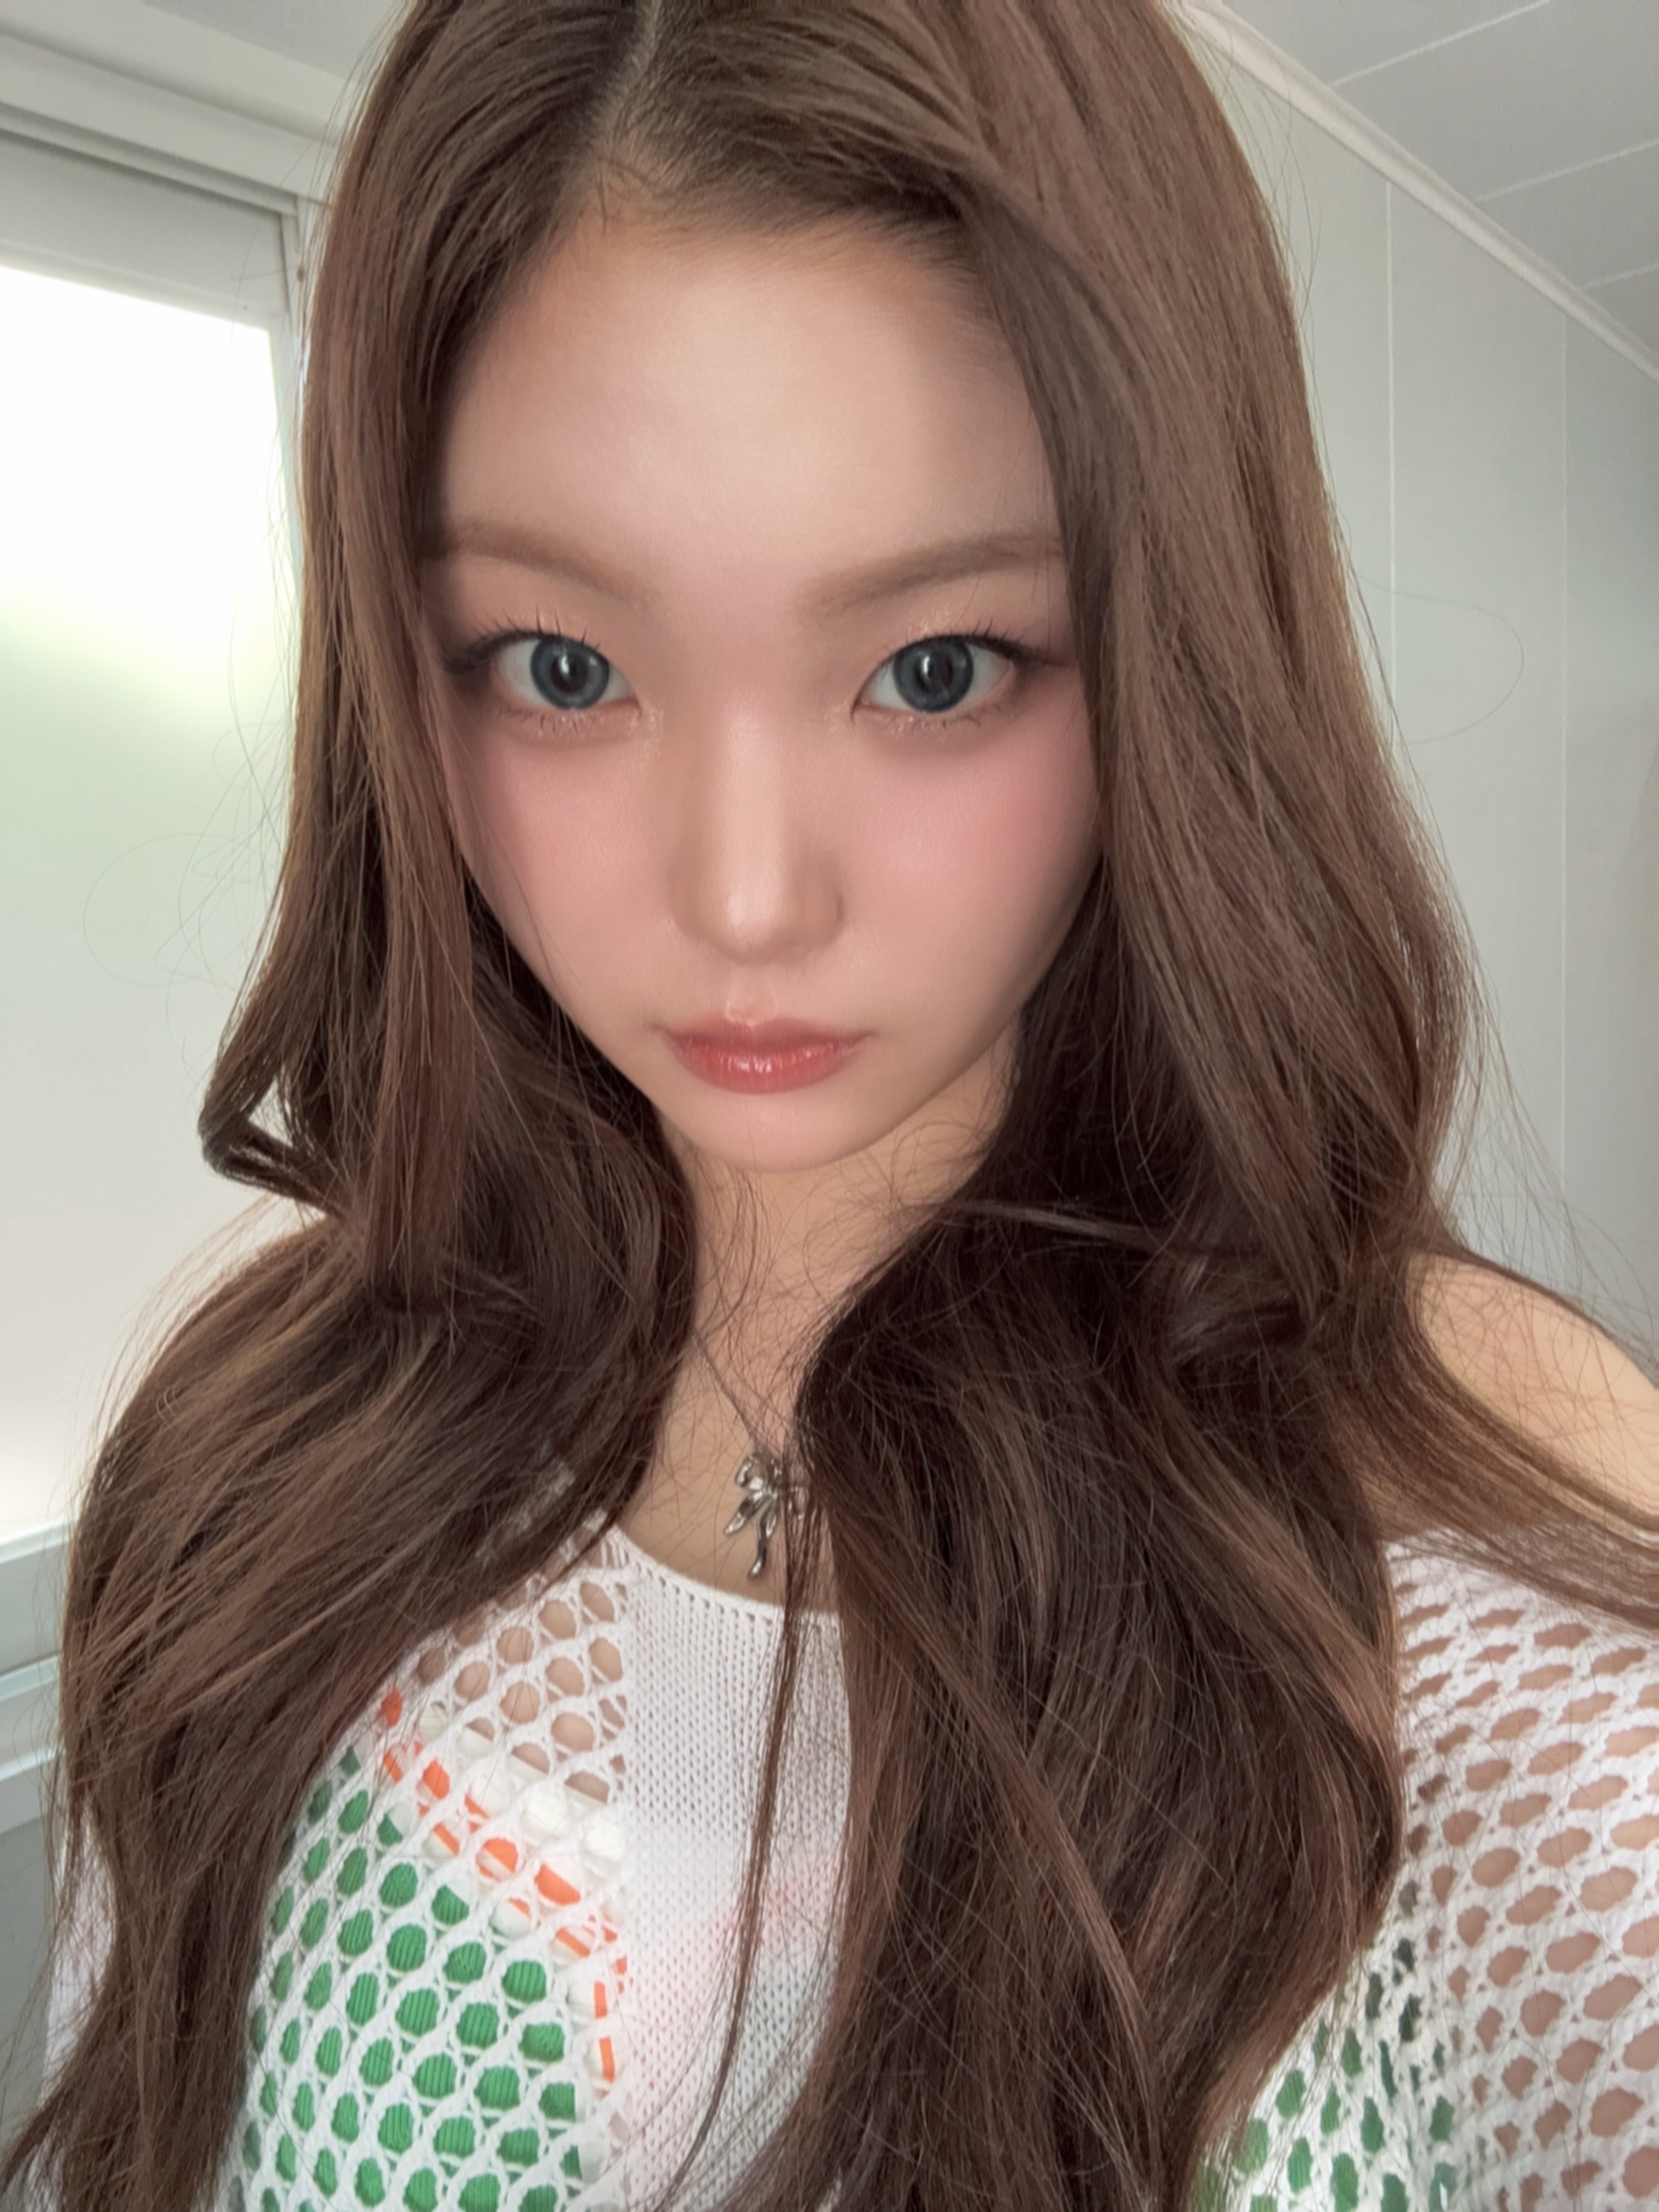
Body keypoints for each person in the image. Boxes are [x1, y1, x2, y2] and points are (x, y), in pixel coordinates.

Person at [6, 1, 1655, 2208]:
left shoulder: (1455, 1509)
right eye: (563, 669)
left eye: (933, 669)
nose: (744, 900)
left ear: (1168, 665)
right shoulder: (257, 1445)